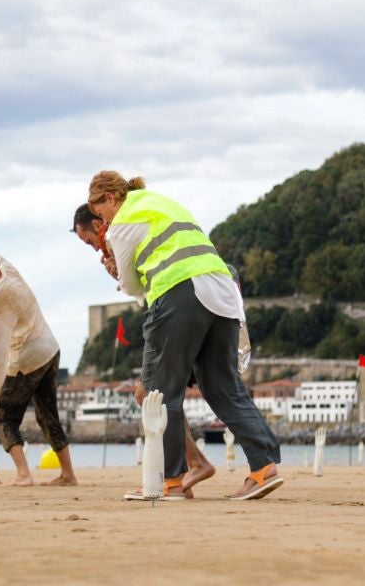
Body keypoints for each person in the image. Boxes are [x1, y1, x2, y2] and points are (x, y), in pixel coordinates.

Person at [87, 171, 282, 500]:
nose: (102, 220)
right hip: (222, 292)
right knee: (224, 387)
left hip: (180, 293)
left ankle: (171, 481)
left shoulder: (122, 223)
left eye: (100, 212)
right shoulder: (160, 202)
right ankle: (263, 468)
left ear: (109, 198)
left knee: (161, 392)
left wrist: (117, 272)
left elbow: (133, 286)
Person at [71, 204, 215, 497]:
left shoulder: (119, 233)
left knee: (151, 395)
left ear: (98, 223)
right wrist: (119, 275)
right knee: (155, 395)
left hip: (169, 313)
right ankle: (190, 466)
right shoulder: (141, 227)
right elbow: (143, 286)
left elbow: (138, 290)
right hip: (190, 305)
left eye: (88, 241)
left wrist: (121, 276)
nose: (93, 248)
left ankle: (180, 474)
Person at [0, 228, 77, 487]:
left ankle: (24, 474)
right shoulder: (8, 268)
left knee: (3, 416)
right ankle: (68, 474)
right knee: (48, 414)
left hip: (28, 360)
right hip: (50, 349)